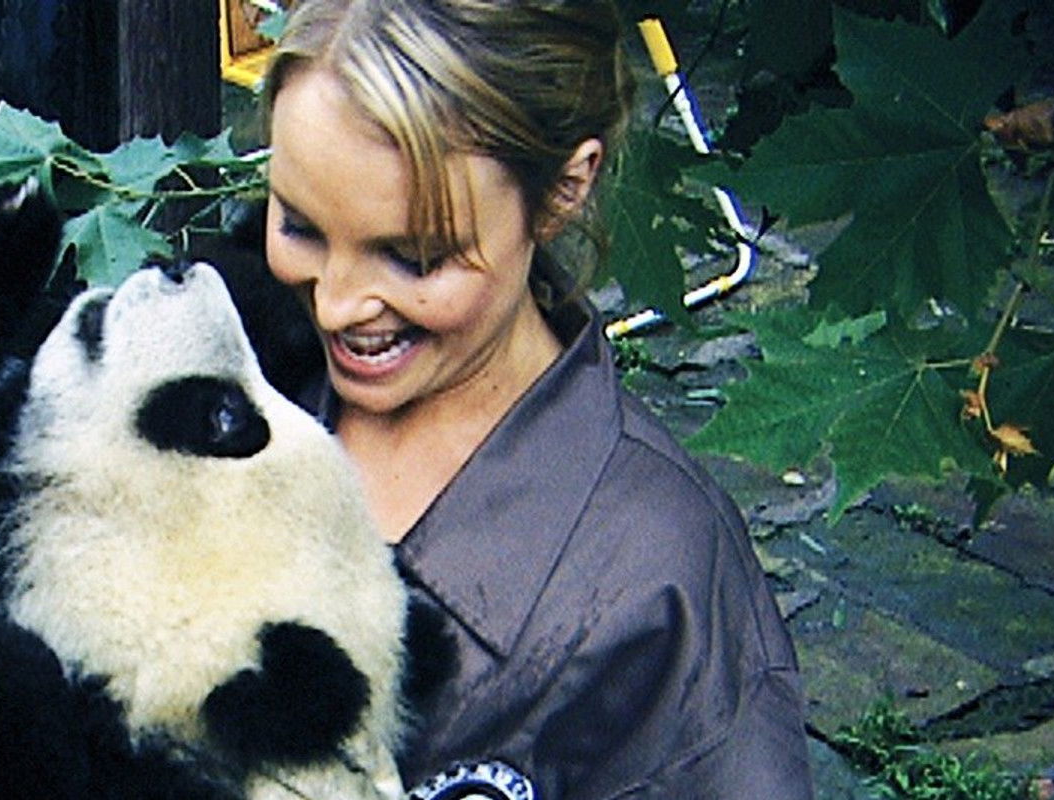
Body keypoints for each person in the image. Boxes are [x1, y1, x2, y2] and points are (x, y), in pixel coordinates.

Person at [247, 0, 813, 796]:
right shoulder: (238, 370)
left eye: (412, 257)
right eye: (300, 226)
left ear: (562, 191)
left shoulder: (655, 584)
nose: (337, 304)